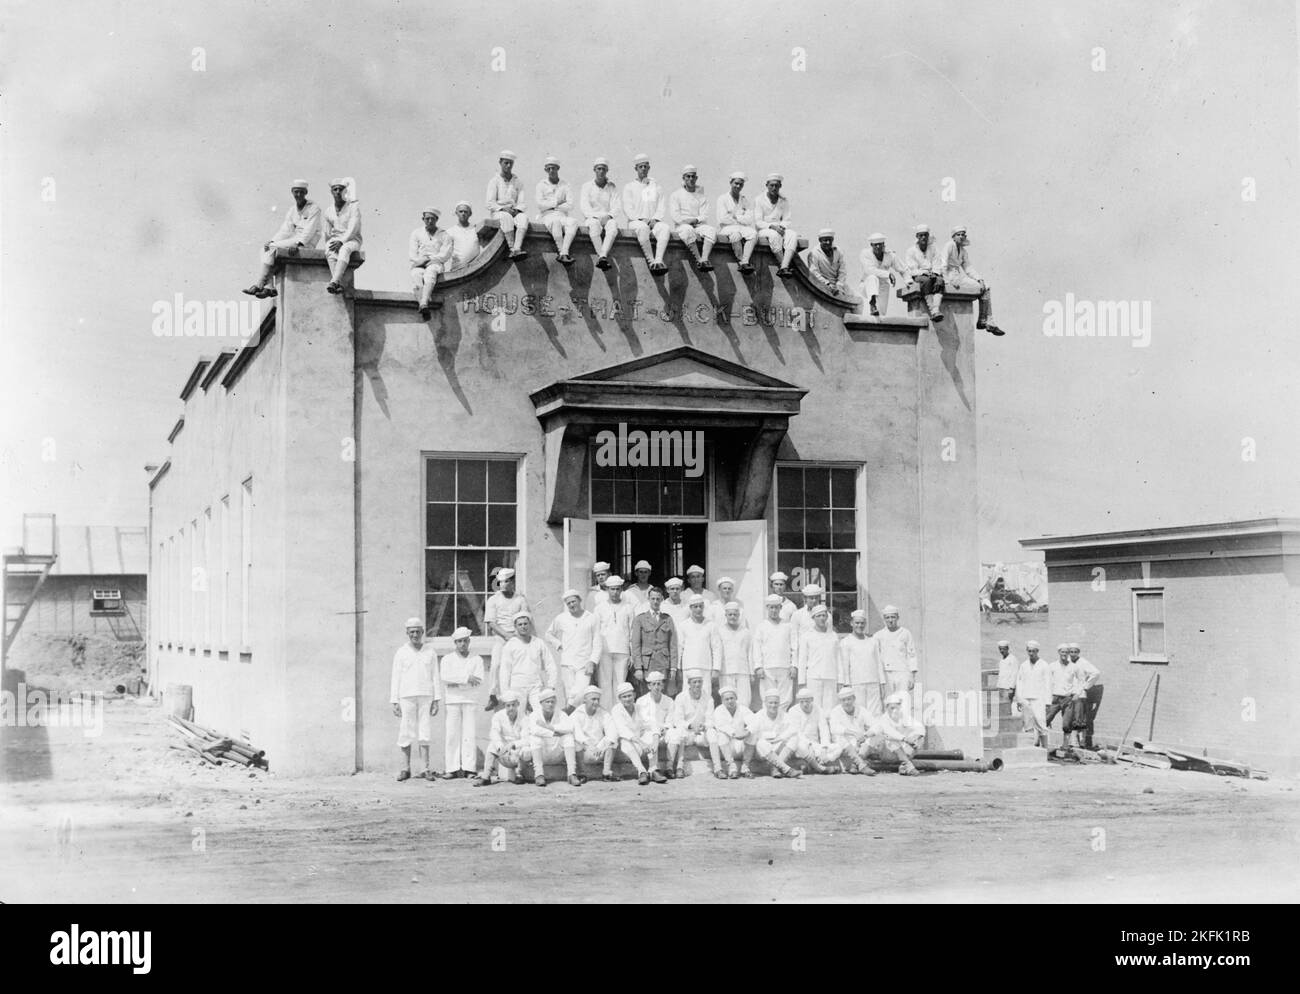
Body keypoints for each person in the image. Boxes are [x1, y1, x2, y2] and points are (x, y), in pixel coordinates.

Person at [244, 179, 321, 298]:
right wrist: (273, 241)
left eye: (301, 192)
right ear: (292, 192)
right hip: (295, 239)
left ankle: (260, 284)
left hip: (307, 242)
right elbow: (285, 230)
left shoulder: (314, 208)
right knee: (266, 249)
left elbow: (310, 230)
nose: (298, 195)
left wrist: (299, 243)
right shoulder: (292, 210)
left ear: (306, 192)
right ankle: (269, 287)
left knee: (271, 249)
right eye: (296, 192)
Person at [390, 616, 441, 781]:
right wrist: (395, 701)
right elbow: (395, 677)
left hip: (426, 695)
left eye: (418, 631)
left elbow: (435, 676)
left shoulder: (430, 651)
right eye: (411, 632)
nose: (415, 635)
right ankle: (405, 769)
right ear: (407, 633)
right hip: (407, 696)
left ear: (422, 632)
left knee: (424, 731)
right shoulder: (401, 652)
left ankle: (425, 769)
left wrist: (436, 699)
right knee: (406, 731)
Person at [544, 589, 603, 707]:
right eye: (568, 603)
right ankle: (571, 721)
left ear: (579, 600)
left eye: (573, 601)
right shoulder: (561, 618)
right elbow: (548, 634)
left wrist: (592, 661)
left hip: (584, 663)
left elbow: (597, 642)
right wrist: (558, 644)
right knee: (569, 694)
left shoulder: (591, 618)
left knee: (581, 692)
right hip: (567, 663)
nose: (571, 605)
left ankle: (567, 712)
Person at [941, 225, 1004, 335]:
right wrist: (946, 281)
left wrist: (979, 279)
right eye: (958, 234)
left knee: (986, 287)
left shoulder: (963, 251)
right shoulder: (949, 246)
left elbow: (968, 268)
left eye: (963, 235)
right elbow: (943, 264)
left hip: (959, 276)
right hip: (950, 277)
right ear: (953, 237)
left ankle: (985, 321)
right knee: (983, 288)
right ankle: (985, 321)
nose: (961, 237)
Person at [438, 626, 483, 779]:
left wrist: (456, 682)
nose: (462, 644)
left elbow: (478, 680)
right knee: (452, 734)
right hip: (452, 700)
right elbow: (445, 678)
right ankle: (452, 768)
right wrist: (466, 679)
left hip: (470, 700)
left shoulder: (477, 659)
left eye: (465, 641)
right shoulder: (447, 659)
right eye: (459, 641)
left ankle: (470, 768)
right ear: (455, 643)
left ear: (469, 641)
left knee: (469, 734)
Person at [483, 567, 528, 710]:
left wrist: (517, 635)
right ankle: (493, 696)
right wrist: (506, 635)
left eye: (506, 582)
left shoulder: (520, 599)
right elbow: (491, 623)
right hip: (501, 637)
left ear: (513, 582)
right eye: (500, 582)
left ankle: (521, 699)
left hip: (517, 637)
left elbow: (524, 619)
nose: (503, 585)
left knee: (518, 667)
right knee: (496, 664)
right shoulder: (493, 600)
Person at [498, 611, 559, 711]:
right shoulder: (510, 645)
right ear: (515, 627)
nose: (523, 627)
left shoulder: (538, 643)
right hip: (517, 687)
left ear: (530, 625)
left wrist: (551, 686)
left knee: (540, 713)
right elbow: (505, 670)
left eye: (525, 624)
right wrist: (505, 693)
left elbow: (550, 664)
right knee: (519, 716)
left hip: (536, 686)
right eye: (520, 624)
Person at [609, 681, 666, 784]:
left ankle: (653, 770)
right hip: (628, 742)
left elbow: (652, 722)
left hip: (640, 740)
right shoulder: (616, 710)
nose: (627, 699)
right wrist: (641, 743)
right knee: (626, 743)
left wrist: (655, 740)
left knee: (650, 735)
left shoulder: (639, 707)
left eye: (629, 696)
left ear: (634, 695)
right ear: (619, 699)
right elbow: (623, 731)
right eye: (624, 697)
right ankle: (642, 771)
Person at [667, 671, 723, 777]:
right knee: (680, 731)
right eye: (694, 682)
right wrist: (690, 726)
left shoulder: (708, 697)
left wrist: (704, 726)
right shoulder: (681, 697)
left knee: (712, 732)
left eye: (699, 682)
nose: (697, 685)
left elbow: (711, 719)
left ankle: (718, 768)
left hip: (701, 734)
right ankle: (679, 767)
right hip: (687, 733)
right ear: (689, 683)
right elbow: (678, 720)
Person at [622, 153, 671, 273]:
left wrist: (655, 219)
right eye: (640, 167)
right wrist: (641, 219)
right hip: (636, 222)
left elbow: (661, 206)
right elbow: (628, 208)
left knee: (664, 228)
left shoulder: (656, 187)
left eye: (645, 166)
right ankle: (651, 261)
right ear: (636, 169)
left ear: (649, 168)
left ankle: (659, 260)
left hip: (653, 222)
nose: (643, 169)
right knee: (643, 228)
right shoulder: (629, 187)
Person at [472, 690, 529, 786]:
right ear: (504, 706)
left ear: (518, 704)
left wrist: (514, 745)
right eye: (508, 705)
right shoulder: (498, 716)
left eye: (513, 705)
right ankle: (486, 777)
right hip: (503, 751)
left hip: (517, 751)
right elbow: (494, 733)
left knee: (527, 749)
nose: (511, 708)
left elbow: (527, 738)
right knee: (492, 745)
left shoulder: (524, 718)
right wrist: (500, 747)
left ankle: (519, 774)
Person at [594, 576, 635, 708]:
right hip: (605, 651)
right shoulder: (599, 608)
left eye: (618, 589)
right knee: (604, 684)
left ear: (621, 590)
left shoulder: (628, 608)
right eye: (612, 589)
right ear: (607, 589)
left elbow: (632, 631)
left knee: (620, 685)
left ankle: (619, 715)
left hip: (622, 651)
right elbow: (596, 632)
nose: (615, 592)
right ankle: (606, 715)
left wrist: (632, 653)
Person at [528, 688, 582, 787]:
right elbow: (534, 730)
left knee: (568, 737)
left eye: (552, 702)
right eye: (547, 702)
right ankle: (539, 775)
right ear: (541, 703)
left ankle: (571, 774)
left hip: (557, 753)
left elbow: (569, 728)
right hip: (542, 753)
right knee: (535, 738)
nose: (550, 704)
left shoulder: (561, 714)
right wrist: (553, 733)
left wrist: (550, 727)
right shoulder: (534, 715)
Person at [630, 586, 677, 696]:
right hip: (647, 664)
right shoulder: (640, 619)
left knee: (663, 695)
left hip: (663, 664)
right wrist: (638, 667)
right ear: (649, 599)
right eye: (653, 599)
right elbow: (636, 645)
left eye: (658, 599)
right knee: (646, 696)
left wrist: (673, 667)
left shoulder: (667, 619)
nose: (655, 601)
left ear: (661, 600)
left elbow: (673, 644)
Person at [839, 609, 885, 719]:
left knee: (875, 712)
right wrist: (846, 684)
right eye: (857, 623)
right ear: (852, 624)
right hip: (856, 683)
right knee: (859, 712)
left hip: (873, 681)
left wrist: (882, 683)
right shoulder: (846, 642)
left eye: (862, 623)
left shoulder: (872, 641)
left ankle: (874, 734)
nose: (860, 625)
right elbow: (844, 665)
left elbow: (878, 662)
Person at [751, 594, 796, 708]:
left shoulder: (788, 625)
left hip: (784, 666)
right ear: (767, 608)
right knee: (767, 696)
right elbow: (756, 647)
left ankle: (782, 720)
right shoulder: (761, 626)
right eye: (771, 607)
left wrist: (793, 665)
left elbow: (794, 647)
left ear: (780, 608)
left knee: (785, 697)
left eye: (776, 607)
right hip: (767, 667)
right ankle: (768, 722)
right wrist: (758, 667)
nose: (774, 610)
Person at [409, 207, 454, 319]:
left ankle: (424, 302)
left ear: (436, 219)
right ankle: (424, 305)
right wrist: (421, 261)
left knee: (430, 272)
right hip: (420, 263)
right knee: (416, 274)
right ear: (423, 219)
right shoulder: (416, 233)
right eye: (427, 218)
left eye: (432, 219)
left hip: (436, 263)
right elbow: (412, 253)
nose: (429, 221)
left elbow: (446, 252)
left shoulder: (444, 234)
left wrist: (432, 259)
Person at [669, 165, 716, 272]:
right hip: (682, 225)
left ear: (696, 178)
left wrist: (696, 220)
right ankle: (699, 260)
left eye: (693, 177)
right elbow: (675, 215)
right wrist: (685, 221)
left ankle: (704, 259)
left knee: (711, 230)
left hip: (698, 224)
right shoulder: (676, 195)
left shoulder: (701, 196)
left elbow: (705, 214)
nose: (691, 179)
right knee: (688, 230)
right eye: (688, 176)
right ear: (683, 178)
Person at [864, 692, 925, 775]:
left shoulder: (904, 716)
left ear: (900, 707)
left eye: (896, 708)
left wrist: (916, 737)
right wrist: (905, 739)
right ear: (886, 708)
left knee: (920, 738)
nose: (894, 710)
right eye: (891, 708)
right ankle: (908, 764)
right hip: (888, 754)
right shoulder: (883, 719)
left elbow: (920, 727)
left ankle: (903, 765)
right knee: (889, 738)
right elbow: (887, 731)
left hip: (903, 752)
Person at [784, 687, 841, 774]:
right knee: (798, 745)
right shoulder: (793, 711)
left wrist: (824, 749)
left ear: (812, 699)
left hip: (816, 746)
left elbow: (824, 730)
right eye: (801, 701)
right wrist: (809, 745)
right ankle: (818, 765)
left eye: (807, 701)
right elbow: (797, 733)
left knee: (838, 747)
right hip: (801, 745)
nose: (804, 704)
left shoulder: (818, 709)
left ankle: (818, 762)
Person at [873, 605, 918, 711]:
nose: (890, 620)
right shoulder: (878, 635)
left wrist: (912, 676)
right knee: (888, 701)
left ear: (897, 618)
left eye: (893, 617)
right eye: (887, 617)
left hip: (902, 672)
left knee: (903, 701)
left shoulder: (905, 633)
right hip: (886, 673)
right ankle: (889, 726)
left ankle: (903, 725)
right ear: (884, 619)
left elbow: (912, 655)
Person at [322, 177, 363, 295]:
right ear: (332, 192)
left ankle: (334, 281)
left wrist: (342, 241)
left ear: (345, 192)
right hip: (336, 240)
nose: (338, 192)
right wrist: (330, 244)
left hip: (352, 240)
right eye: (335, 189)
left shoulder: (353, 207)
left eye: (341, 189)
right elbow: (327, 233)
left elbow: (353, 228)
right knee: (330, 248)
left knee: (344, 249)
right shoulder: (329, 211)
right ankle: (337, 283)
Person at [748, 689, 802, 778]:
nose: (773, 705)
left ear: (779, 703)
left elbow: (794, 728)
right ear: (765, 703)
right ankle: (786, 769)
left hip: (777, 745)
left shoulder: (784, 715)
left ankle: (775, 768)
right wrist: (771, 736)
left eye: (776, 703)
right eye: (770, 703)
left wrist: (780, 737)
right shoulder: (758, 715)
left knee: (794, 738)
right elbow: (753, 731)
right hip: (763, 751)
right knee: (761, 743)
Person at [534, 156, 578, 263]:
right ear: (545, 170)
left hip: (562, 214)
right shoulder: (541, 185)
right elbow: (540, 205)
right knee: (556, 223)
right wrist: (557, 203)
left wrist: (553, 206)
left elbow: (570, 205)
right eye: (548, 168)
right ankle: (563, 252)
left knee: (573, 222)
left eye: (553, 168)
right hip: (547, 215)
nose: (551, 171)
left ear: (558, 169)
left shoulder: (565, 184)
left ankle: (563, 253)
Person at [798, 603, 841, 712]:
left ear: (827, 617)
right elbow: (802, 660)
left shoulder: (833, 636)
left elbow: (838, 659)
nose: (822, 618)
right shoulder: (807, 636)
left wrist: (841, 680)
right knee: (815, 707)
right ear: (813, 618)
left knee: (831, 707)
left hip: (831, 676)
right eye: (818, 616)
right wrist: (801, 681)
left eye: (824, 615)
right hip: (814, 677)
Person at [753, 173, 798, 276]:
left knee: (792, 234)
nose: (774, 188)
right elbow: (758, 222)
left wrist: (782, 226)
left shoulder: (784, 200)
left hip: (779, 228)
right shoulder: (759, 199)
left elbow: (787, 219)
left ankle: (784, 267)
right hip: (764, 230)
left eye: (776, 186)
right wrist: (772, 227)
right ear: (767, 185)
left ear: (780, 186)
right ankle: (784, 266)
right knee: (774, 235)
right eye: (771, 185)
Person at [571, 684, 618, 781]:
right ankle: (582, 773)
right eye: (593, 699)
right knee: (575, 743)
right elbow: (578, 735)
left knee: (613, 740)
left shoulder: (603, 713)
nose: (596, 702)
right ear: (585, 700)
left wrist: (600, 746)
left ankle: (606, 772)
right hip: (585, 751)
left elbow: (612, 731)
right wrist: (591, 747)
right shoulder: (577, 714)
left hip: (600, 750)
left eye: (598, 699)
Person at [485, 150, 528, 258]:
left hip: (514, 211)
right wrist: (503, 209)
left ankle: (517, 248)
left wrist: (517, 210)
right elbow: (490, 203)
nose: (508, 166)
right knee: (506, 217)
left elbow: (522, 202)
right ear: (500, 162)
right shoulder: (494, 181)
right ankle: (512, 248)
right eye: (506, 163)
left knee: (523, 218)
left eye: (511, 163)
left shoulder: (517, 182)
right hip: (499, 212)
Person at [678, 594, 721, 699]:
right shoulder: (683, 625)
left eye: (700, 606)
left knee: (705, 695)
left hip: (705, 667)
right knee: (687, 695)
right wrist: (678, 667)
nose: (698, 609)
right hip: (689, 666)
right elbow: (679, 647)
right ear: (690, 608)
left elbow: (716, 647)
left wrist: (716, 668)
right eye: (695, 607)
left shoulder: (711, 625)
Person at [580, 157, 621, 269]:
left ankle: (602, 255)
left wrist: (609, 216)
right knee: (594, 225)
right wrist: (595, 217)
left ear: (607, 170)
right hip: (592, 217)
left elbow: (616, 206)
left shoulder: (612, 187)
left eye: (604, 169)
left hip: (607, 218)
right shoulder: (587, 186)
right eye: (599, 169)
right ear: (594, 170)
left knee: (613, 226)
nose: (601, 171)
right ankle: (602, 256)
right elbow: (584, 206)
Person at [827, 687, 875, 774]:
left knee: (875, 737)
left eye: (849, 699)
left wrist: (865, 736)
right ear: (840, 701)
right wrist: (853, 733)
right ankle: (861, 765)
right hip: (844, 742)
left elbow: (874, 724)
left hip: (860, 741)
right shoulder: (835, 711)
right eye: (843, 700)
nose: (846, 702)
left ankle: (854, 764)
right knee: (840, 738)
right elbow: (834, 728)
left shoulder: (861, 709)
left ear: (854, 699)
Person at [716, 171, 757, 273]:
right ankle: (741, 261)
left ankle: (745, 261)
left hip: (741, 227)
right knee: (736, 235)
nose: (738, 186)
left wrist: (736, 217)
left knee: (753, 233)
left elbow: (749, 219)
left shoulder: (744, 200)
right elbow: (722, 218)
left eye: (741, 184)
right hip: (726, 228)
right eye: (736, 183)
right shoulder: (723, 198)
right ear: (731, 183)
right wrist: (740, 219)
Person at [710, 687, 755, 778]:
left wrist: (747, 732)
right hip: (727, 747)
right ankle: (732, 767)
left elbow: (754, 721)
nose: (730, 701)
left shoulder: (742, 708)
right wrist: (734, 733)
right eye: (727, 699)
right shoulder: (719, 710)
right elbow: (721, 726)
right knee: (721, 735)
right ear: (722, 701)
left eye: (732, 698)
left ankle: (745, 767)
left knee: (752, 733)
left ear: (736, 698)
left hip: (742, 745)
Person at [1011, 640, 1050, 747]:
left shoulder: (1044, 665)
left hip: (1039, 699)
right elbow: (1019, 682)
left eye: (1033, 651)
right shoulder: (1023, 665)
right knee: (1027, 724)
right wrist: (1019, 699)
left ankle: (1045, 750)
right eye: (1029, 651)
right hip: (1025, 698)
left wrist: (1047, 702)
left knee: (1041, 724)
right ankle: (1030, 749)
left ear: (1037, 651)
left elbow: (1048, 684)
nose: (1031, 653)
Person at [635, 670, 675, 773]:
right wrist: (656, 729)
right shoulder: (641, 701)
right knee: (651, 735)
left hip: (664, 731)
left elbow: (670, 720)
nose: (656, 687)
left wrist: (665, 728)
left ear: (662, 686)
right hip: (648, 731)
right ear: (649, 686)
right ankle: (653, 768)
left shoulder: (669, 701)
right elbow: (643, 721)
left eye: (659, 684)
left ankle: (669, 767)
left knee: (675, 734)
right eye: (653, 684)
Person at [859, 232, 905, 317]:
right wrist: (888, 274)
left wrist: (909, 281)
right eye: (875, 245)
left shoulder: (890, 255)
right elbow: (869, 270)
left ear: (883, 244)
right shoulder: (865, 253)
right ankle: (872, 304)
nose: (878, 247)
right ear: (871, 245)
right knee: (872, 278)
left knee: (881, 313)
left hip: (883, 285)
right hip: (867, 285)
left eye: (880, 244)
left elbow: (903, 269)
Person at [904, 223, 944, 321]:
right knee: (926, 281)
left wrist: (934, 273)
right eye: (921, 235)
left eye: (925, 235)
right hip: (918, 275)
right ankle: (933, 310)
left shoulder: (933, 249)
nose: (923, 237)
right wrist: (923, 272)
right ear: (917, 237)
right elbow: (912, 269)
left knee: (939, 281)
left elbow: (937, 263)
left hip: (932, 274)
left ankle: (936, 309)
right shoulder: (911, 251)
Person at [717, 602, 753, 706]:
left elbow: (749, 652)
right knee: (727, 699)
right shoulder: (720, 631)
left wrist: (751, 673)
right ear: (726, 615)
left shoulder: (745, 632)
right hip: (726, 671)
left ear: (739, 615)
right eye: (730, 614)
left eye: (735, 614)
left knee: (744, 699)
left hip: (743, 670)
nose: (732, 617)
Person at [1068, 643, 1103, 749]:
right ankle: (1073, 740)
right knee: (1070, 717)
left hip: (1080, 694)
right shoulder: (1067, 662)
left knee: (1080, 717)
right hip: (1069, 693)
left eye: (1075, 652)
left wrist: (1086, 687)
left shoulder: (1083, 662)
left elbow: (1096, 673)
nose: (1073, 654)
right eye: (1071, 652)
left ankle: (1082, 741)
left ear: (1078, 652)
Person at [1045, 644, 1080, 750]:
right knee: (1045, 719)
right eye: (1062, 652)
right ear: (1059, 653)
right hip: (1055, 698)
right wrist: (1047, 698)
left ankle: (1065, 745)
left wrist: (1076, 694)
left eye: (1066, 652)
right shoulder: (1052, 666)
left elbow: (1078, 681)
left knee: (1067, 723)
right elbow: (1047, 683)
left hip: (1067, 699)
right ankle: (1041, 743)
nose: (1064, 654)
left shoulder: (1073, 667)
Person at [805, 229, 847, 294]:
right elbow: (814, 273)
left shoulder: (838, 251)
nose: (828, 242)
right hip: (822, 285)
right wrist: (827, 284)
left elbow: (842, 271)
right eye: (825, 240)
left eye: (830, 240)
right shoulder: (813, 253)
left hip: (839, 286)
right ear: (820, 240)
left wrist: (839, 285)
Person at [446, 201, 482, 271]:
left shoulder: (476, 229)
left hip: (475, 268)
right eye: (461, 211)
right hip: (457, 269)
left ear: (470, 214)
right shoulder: (450, 232)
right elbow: (445, 252)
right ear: (456, 213)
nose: (463, 214)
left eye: (465, 212)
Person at [995, 639, 1019, 714]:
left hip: (1008, 688)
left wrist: (1011, 688)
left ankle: (1008, 723)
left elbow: (1015, 674)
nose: (1002, 651)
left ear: (1007, 649)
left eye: (1004, 649)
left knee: (1007, 707)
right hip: (1001, 687)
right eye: (1000, 649)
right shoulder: (1002, 660)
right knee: (1001, 708)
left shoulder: (1013, 659)